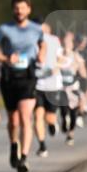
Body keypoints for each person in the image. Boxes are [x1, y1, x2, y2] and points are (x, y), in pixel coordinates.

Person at [0, 0, 46, 172]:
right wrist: (5, 58)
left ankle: (24, 157)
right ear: (13, 10)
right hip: (9, 77)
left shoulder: (37, 29)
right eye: (16, 8)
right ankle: (14, 145)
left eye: (23, 8)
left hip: (28, 77)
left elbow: (43, 44)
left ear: (29, 9)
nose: (19, 11)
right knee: (13, 120)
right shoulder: (4, 29)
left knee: (25, 117)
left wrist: (41, 55)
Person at [33, 22, 64, 157]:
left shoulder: (55, 40)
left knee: (49, 117)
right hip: (37, 85)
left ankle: (52, 124)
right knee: (37, 116)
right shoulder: (31, 41)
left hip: (52, 84)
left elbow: (60, 58)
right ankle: (42, 146)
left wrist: (56, 67)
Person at [59, 30, 87, 146]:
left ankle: (70, 134)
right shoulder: (58, 55)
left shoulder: (76, 56)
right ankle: (64, 121)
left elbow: (83, 73)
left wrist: (81, 71)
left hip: (73, 87)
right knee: (63, 110)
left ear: (72, 44)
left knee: (73, 111)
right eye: (65, 43)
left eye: (69, 43)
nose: (67, 45)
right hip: (61, 87)